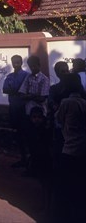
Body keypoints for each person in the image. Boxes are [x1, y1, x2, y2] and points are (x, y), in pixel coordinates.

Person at [54, 73, 86, 222]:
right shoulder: (83, 102)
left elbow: (58, 119)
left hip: (69, 148)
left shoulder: (66, 102)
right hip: (82, 147)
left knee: (67, 186)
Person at [3, 55, 29, 167]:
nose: (16, 64)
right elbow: (5, 89)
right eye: (14, 62)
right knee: (18, 135)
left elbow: (24, 91)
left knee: (26, 134)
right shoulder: (9, 76)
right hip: (13, 108)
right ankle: (22, 158)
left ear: (21, 62)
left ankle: (27, 159)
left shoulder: (27, 76)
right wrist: (17, 90)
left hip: (24, 109)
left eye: (18, 62)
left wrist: (14, 90)